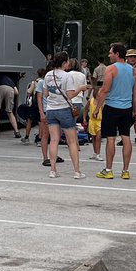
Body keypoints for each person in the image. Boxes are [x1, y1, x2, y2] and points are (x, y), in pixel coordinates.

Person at [95, 42, 136, 180]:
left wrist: (97, 108)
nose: (109, 55)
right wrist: (135, 111)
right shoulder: (133, 71)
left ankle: (108, 169)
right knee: (126, 137)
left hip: (112, 108)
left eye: (110, 53)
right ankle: (125, 171)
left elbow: (105, 90)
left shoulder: (111, 69)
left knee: (111, 138)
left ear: (117, 54)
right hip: (127, 108)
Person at [42, 51, 87, 179]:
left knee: (54, 140)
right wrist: (81, 88)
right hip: (64, 110)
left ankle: (53, 170)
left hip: (51, 110)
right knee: (72, 141)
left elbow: (45, 94)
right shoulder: (67, 76)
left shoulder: (48, 75)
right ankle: (77, 172)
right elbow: (71, 94)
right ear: (64, 63)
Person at [0, 73, 21, 138]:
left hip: (0, 88)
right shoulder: (11, 80)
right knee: (10, 112)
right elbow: (16, 92)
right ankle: (16, 131)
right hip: (10, 89)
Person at [68, 59, 89, 125]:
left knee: (67, 122)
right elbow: (85, 88)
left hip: (68, 100)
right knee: (74, 121)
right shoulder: (82, 75)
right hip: (78, 100)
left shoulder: (67, 75)